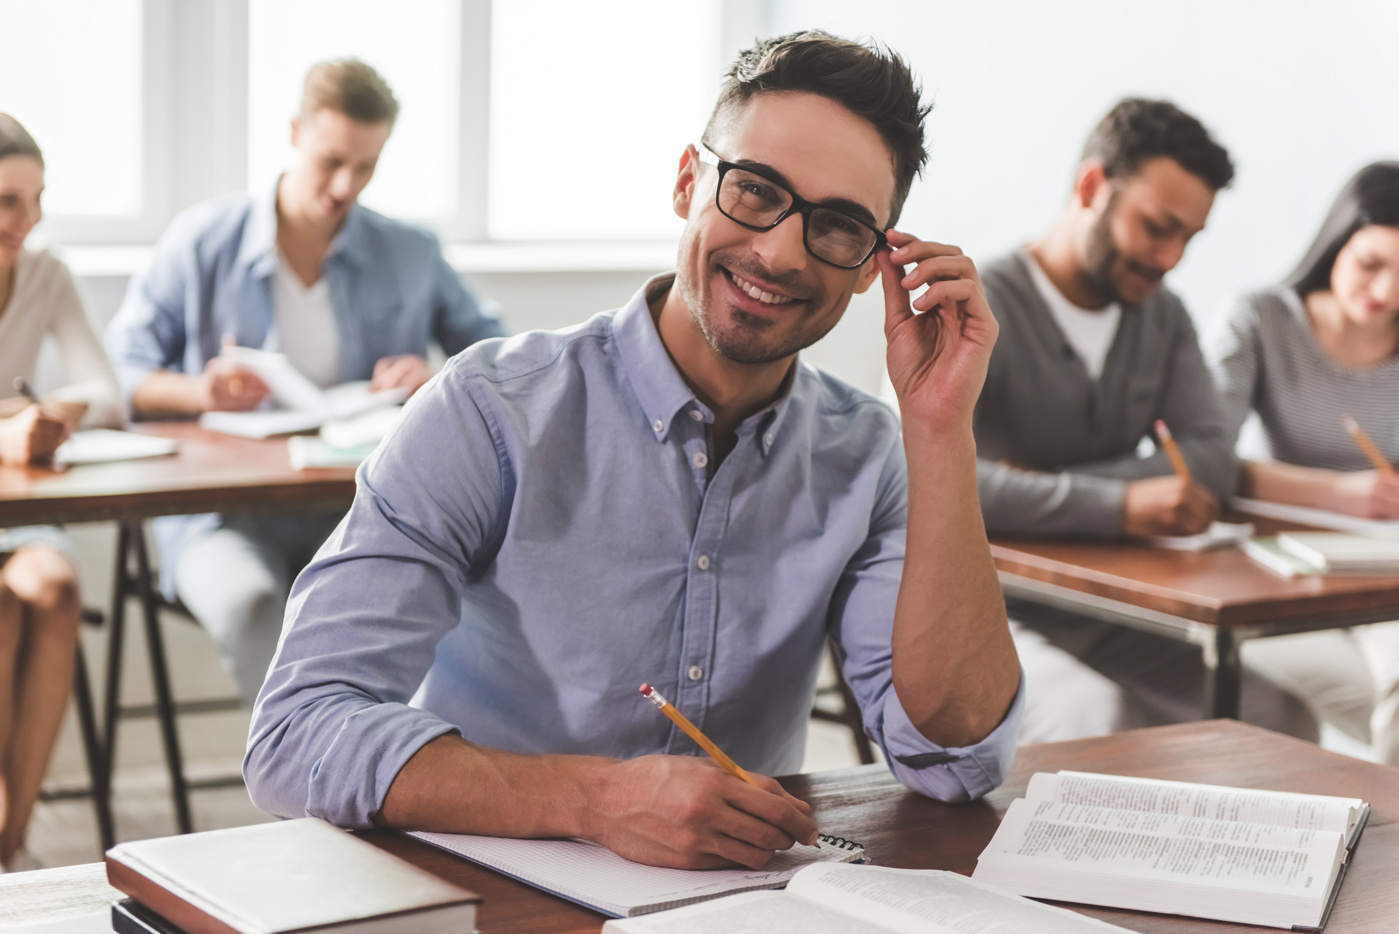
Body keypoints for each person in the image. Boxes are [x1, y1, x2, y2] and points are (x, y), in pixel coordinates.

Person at [245, 32, 1023, 871]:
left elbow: (952, 760)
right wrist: (592, 801)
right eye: (754, 191)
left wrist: (939, 426)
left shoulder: (868, 454)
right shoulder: (489, 410)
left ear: (873, 265)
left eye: (836, 226)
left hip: (738, 901)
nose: (778, 252)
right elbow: (296, 733)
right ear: (688, 181)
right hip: (491, 886)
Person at [106, 59, 505, 704]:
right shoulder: (202, 241)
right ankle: (308, 781)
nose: (345, 186)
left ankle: (382, 775)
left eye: (366, 167)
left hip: (364, 507)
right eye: (331, 161)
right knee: (252, 604)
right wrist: (197, 393)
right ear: (294, 132)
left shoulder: (409, 251)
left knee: (439, 604)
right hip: (222, 518)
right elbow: (119, 374)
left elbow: (499, 359)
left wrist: (437, 377)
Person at [972, 98, 1315, 743]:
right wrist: (1120, 505)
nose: (1171, 258)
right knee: (1099, 720)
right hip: (984, 605)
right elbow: (936, 484)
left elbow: (1211, 455)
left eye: (1189, 237)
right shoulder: (975, 304)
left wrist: (1040, 485)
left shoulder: (1164, 316)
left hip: (1106, 608)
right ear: (1092, 187)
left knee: (1286, 719)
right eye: (1158, 227)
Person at [1215, 161, 1399, 763]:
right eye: (1372, 264)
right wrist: (1342, 494)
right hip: (1286, 563)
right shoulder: (1262, 318)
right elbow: (1205, 459)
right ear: (1335, 243)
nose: (1388, 292)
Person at [0, 113, 123, 871]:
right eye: (10, 200)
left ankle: (11, 847)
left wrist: (52, 413)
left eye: (37, 198)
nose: (30, 219)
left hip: (21, 517)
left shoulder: (47, 274)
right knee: (3, 608)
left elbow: (108, 392)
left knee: (56, 589)